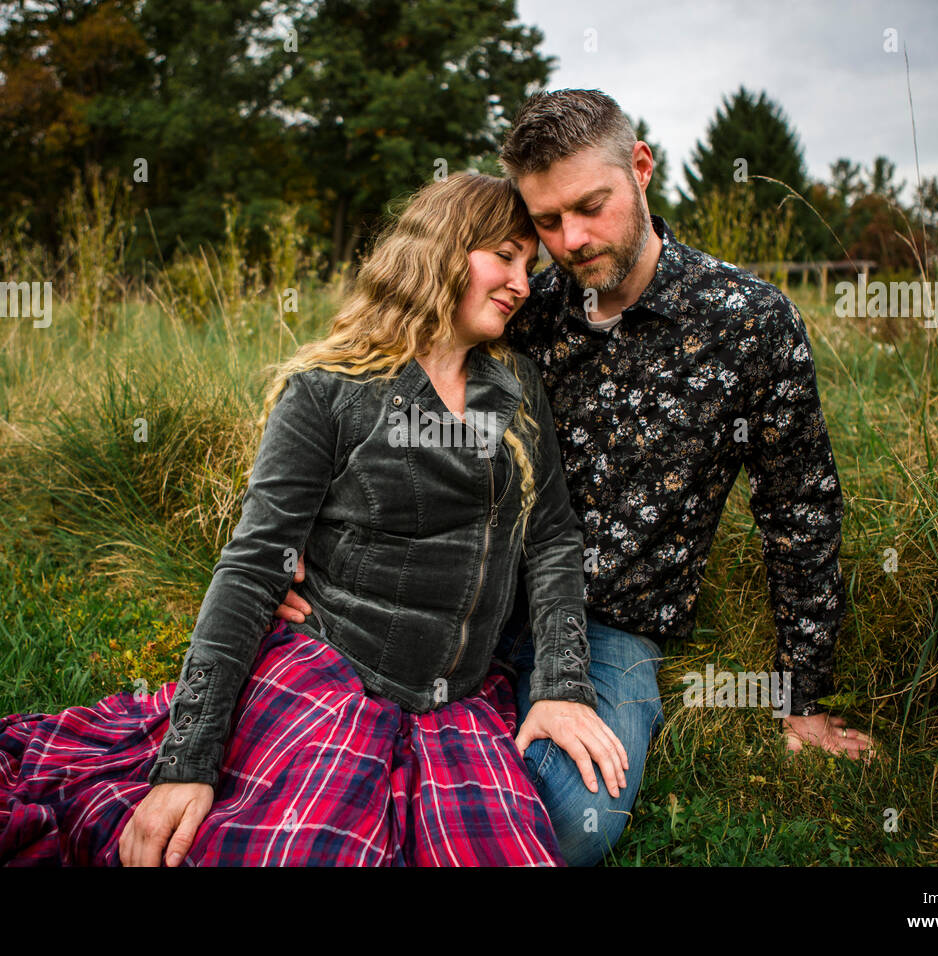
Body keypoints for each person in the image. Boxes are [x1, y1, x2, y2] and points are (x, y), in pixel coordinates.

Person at [0, 172, 627, 868]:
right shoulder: (329, 391)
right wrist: (187, 764)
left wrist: (559, 683)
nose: (523, 281)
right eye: (505, 257)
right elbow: (251, 565)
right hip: (339, 675)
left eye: (529, 263)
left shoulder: (515, 391)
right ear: (445, 251)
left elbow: (551, 538)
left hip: (455, 699)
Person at [275, 88, 874, 867]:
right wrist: (294, 533)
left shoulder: (747, 322)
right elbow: (368, 378)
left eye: (591, 206)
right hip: (452, 587)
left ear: (641, 168)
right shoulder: (519, 299)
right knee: (326, 780)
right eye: (548, 222)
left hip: (607, 624)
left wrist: (802, 701)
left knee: (568, 819)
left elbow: (800, 512)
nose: (572, 239)